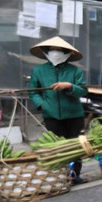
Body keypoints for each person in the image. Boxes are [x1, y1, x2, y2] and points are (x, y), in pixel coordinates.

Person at [28, 36, 88, 184]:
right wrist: (42, 105)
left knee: (75, 145)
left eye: (60, 50)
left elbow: (83, 91)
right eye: (53, 50)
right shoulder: (38, 71)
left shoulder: (75, 71)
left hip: (74, 114)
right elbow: (33, 91)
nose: (56, 53)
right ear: (47, 52)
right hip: (51, 115)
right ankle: (60, 175)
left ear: (67, 53)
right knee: (56, 146)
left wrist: (70, 86)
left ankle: (75, 174)